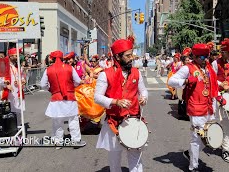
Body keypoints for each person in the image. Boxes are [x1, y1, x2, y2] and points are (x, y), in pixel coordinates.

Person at [94, 37, 148, 172]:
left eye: (132, 54)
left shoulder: (136, 72)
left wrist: (144, 98)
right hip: (114, 122)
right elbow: (97, 98)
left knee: (136, 159)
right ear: (118, 56)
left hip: (134, 120)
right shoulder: (105, 74)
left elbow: (144, 91)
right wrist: (115, 101)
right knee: (115, 158)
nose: (132, 58)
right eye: (128, 55)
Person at [168, 44, 222, 172]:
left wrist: (219, 95)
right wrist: (186, 81)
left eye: (206, 56)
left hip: (209, 106)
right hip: (196, 108)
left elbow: (213, 83)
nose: (204, 59)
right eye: (201, 57)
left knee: (207, 136)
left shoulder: (208, 68)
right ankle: (193, 166)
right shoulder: (188, 68)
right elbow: (171, 81)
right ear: (195, 56)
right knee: (197, 138)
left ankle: (190, 153)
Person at [40, 50, 86, 149]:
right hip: (69, 97)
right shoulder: (70, 68)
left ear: (52, 59)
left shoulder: (48, 70)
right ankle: (76, 140)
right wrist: (71, 87)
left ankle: (58, 141)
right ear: (62, 58)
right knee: (73, 119)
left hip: (56, 98)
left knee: (57, 121)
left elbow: (42, 85)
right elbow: (77, 81)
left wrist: (51, 89)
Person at [2, 48, 26, 126]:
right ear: (10, 56)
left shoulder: (17, 66)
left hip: (18, 92)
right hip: (9, 93)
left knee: (18, 112)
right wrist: (6, 84)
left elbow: (21, 76)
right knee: (10, 112)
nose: (17, 57)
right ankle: (12, 130)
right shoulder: (4, 65)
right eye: (16, 56)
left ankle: (18, 129)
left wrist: (22, 80)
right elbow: (0, 79)